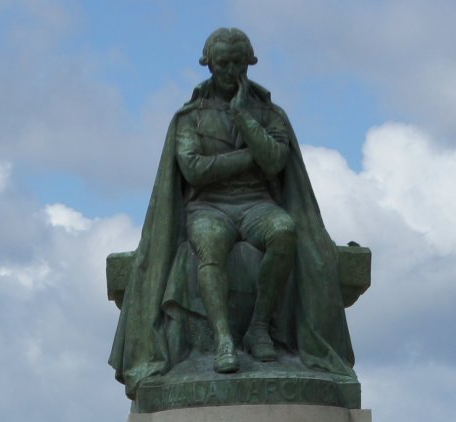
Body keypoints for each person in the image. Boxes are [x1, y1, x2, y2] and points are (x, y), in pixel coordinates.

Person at [109, 27, 355, 391]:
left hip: (257, 204)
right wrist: (247, 156)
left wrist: (242, 116)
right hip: (209, 208)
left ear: (248, 64)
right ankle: (223, 338)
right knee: (209, 246)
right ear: (208, 64)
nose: (229, 70)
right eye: (222, 63)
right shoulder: (190, 117)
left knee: (285, 231)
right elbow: (194, 170)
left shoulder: (269, 113)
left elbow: (273, 162)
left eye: (237, 63)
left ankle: (259, 327)